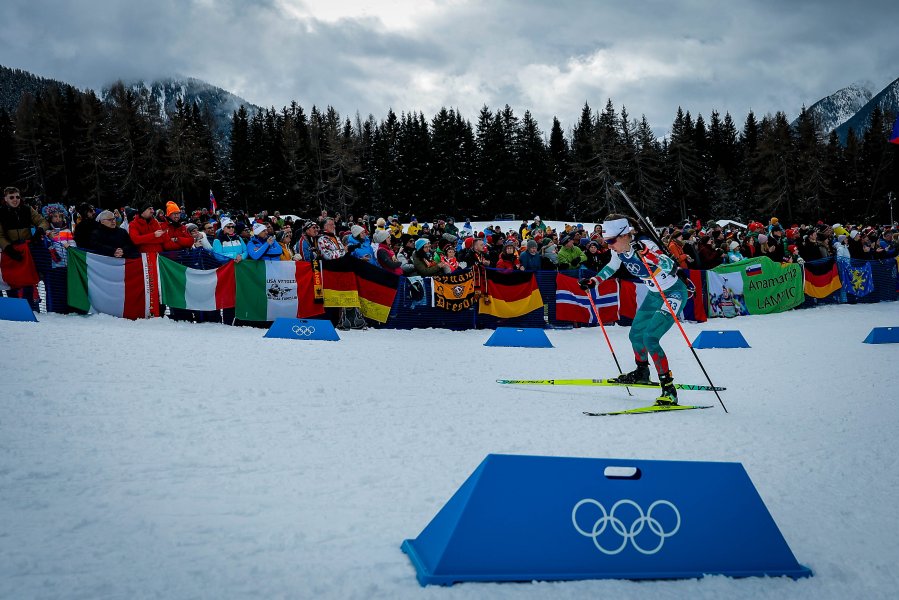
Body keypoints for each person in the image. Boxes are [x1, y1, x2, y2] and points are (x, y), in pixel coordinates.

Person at [579, 215, 688, 405]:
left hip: (673, 293)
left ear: (624, 235)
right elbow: (612, 266)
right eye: (606, 242)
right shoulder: (619, 250)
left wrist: (647, 253)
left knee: (650, 338)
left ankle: (669, 389)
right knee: (636, 335)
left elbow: (671, 266)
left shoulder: (645, 244)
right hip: (655, 294)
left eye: (611, 241)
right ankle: (642, 372)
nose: (609, 245)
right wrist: (594, 281)